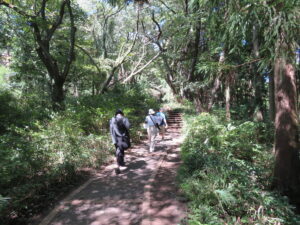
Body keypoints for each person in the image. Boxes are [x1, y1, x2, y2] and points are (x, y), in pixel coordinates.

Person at [110, 109, 130, 174]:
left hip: (115, 138)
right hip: (122, 138)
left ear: (116, 114)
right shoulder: (124, 119)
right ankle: (117, 165)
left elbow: (111, 130)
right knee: (120, 150)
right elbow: (128, 127)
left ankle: (121, 162)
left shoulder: (112, 120)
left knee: (119, 150)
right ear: (122, 114)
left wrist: (113, 140)